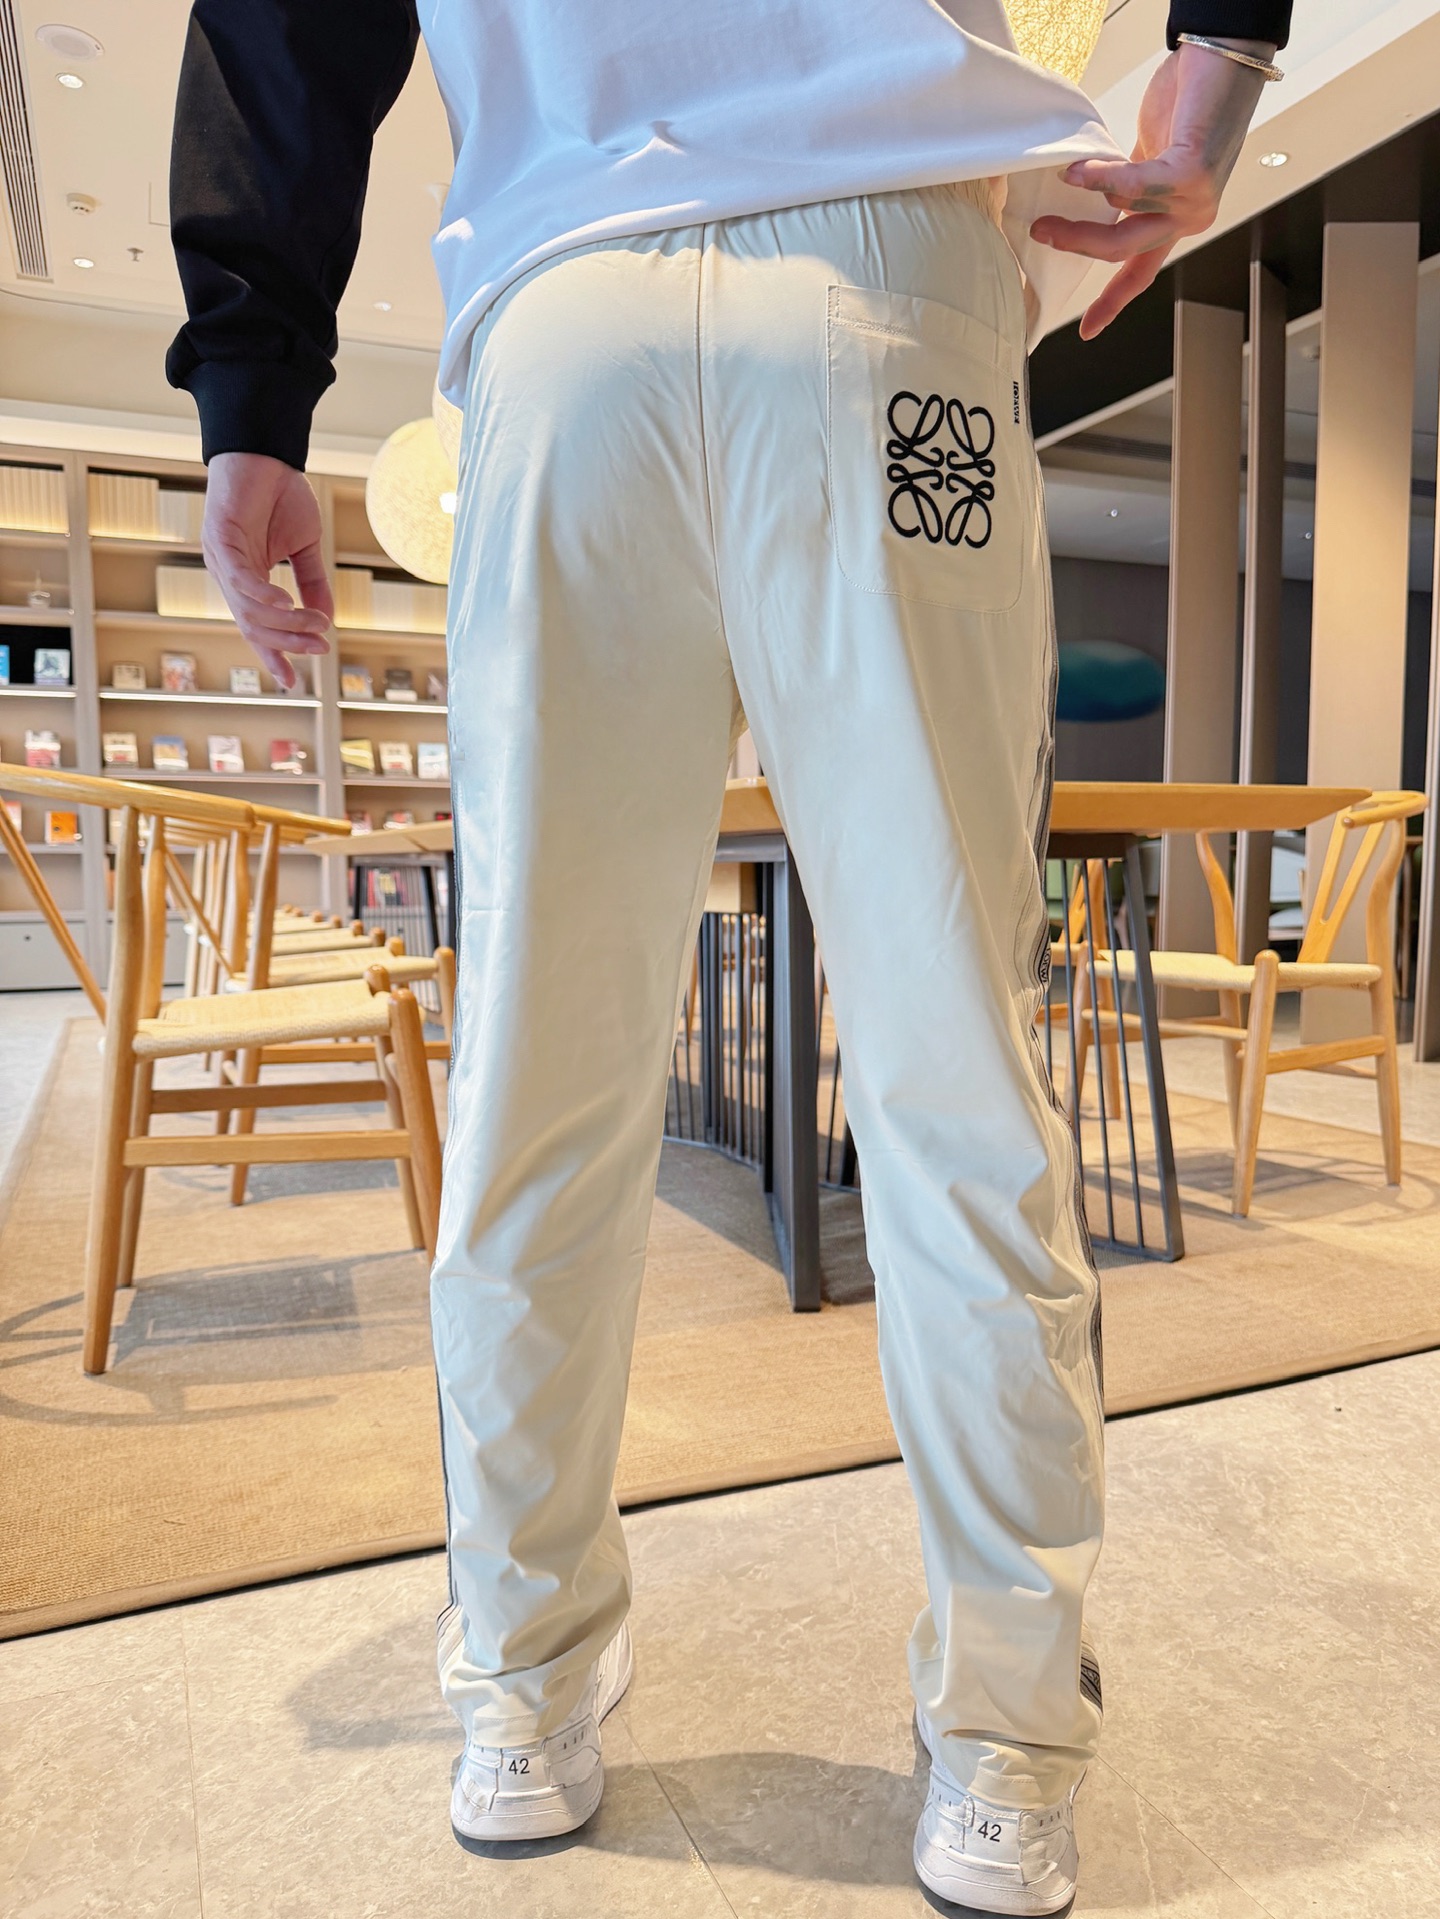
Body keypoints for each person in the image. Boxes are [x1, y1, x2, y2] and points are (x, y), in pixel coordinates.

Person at [167, 2, 1291, 1908]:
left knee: (539, 1075)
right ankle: (1007, 1745)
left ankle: (523, 1693)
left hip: (566, 337)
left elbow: (282, 18)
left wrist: (251, 389)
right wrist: (1213, 87)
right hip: (892, 291)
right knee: (954, 1068)